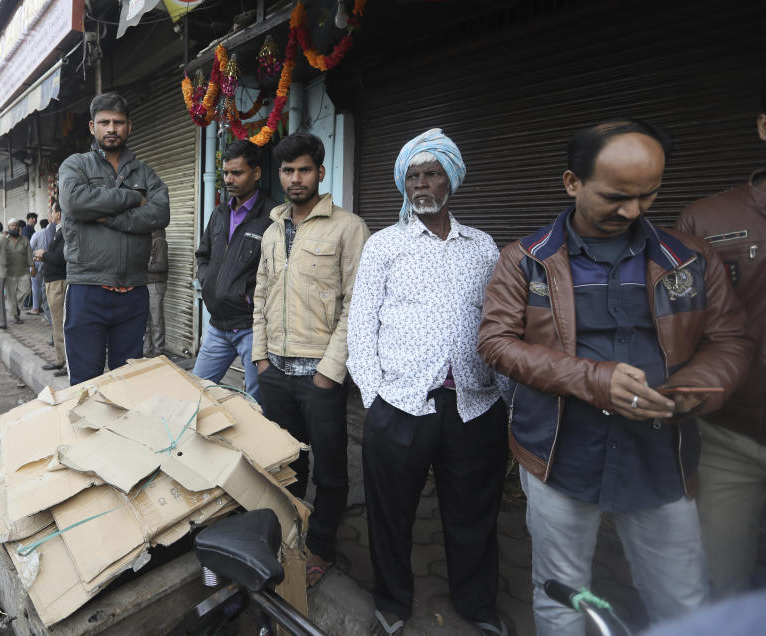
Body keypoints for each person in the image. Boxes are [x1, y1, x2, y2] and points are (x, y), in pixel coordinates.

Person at [477, 120, 752, 636]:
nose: (633, 211)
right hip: (558, 454)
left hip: (660, 458)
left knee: (683, 596)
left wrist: (694, 392)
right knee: (562, 594)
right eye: (616, 197)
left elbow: (730, 343)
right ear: (571, 183)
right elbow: (496, 344)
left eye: (648, 195)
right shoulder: (525, 260)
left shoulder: (692, 258)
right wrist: (592, 378)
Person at [347, 129, 509, 636]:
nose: (421, 184)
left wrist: (504, 392)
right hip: (400, 401)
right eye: (413, 175)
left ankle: (478, 604)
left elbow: (499, 320)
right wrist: (373, 397)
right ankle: (393, 601)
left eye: (432, 173)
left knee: (474, 512)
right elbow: (361, 324)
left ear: (451, 181)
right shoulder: (384, 245)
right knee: (390, 512)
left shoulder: (481, 246)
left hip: (473, 402)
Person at [251, 131, 370, 588]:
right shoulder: (272, 227)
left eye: (304, 170)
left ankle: (321, 546)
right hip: (275, 373)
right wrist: (260, 359)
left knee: (333, 469)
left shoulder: (348, 227)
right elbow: (261, 293)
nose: (295, 178)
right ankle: (288, 534)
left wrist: (329, 372)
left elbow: (355, 304)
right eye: (287, 170)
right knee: (286, 461)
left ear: (321, 172)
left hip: (319, 375)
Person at [675, 80, 766, 600]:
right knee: (717, 582)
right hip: (730, 439)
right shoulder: (706, 221)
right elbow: (677, 331)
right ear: (761, 126)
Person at [58, 92, 170, 385]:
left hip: (134, 291)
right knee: (85, 382)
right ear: (92, 127)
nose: (111, 128)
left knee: (128, 382)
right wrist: (132, 197)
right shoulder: (76, 165)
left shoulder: (145, 172)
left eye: (118, 122)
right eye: (104, 122)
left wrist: (108, 216)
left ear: (129, 127)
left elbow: (160, 214)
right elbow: (74, 203)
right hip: (87, 287)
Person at [193, 140, 275, 403]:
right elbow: (202, 255)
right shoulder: (220, 213)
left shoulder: (272, 217)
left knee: (257, 402)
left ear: (257, 173)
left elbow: (278, 272)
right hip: (217, 326)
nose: (229, 179)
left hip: (251, 328)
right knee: (196, 390)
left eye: (237, 173)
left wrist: (246, 295)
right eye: (226, 172)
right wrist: (208, 282)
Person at [36, 202, 68, 376]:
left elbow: (62, 257)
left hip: (58, 282)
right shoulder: (57, 230)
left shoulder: (65, 231)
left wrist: (44, 254)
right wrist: (45, 257)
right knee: (56, 323)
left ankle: (65, 362)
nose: (50, 213)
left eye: (52, 210)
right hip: (52, 281)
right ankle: (59, 359)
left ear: (59, 214)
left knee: (60, 323)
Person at [143, 229, 168, 357]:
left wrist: (143, 265)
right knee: (144, 320)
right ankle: (146, 350)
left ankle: (159, 351)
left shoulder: (159, 241)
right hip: (144, 284)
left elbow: (162, 266)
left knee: (156, 319)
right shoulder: (147, 240)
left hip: (155, 285)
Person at [4, 218, 33, 325]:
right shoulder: (4, 240)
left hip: (23, 271)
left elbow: (29, 254)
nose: (14, 227)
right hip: (9, 273)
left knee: (26, 290)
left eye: (16, 225)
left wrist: (33, 267)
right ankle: (16, 315)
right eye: (12, 225)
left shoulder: (24, 240)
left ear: (19, 227)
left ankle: (15, 306)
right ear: (8, 227)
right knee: (11, 295)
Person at [28, 219, 51, 317]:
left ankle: (36, 308)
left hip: (36, 263)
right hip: (49, 263)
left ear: (40, 225)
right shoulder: (53, 233)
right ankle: (46, 310)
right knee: (45, 287)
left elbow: (30, 248)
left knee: (36, 286)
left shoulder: (37, 234)